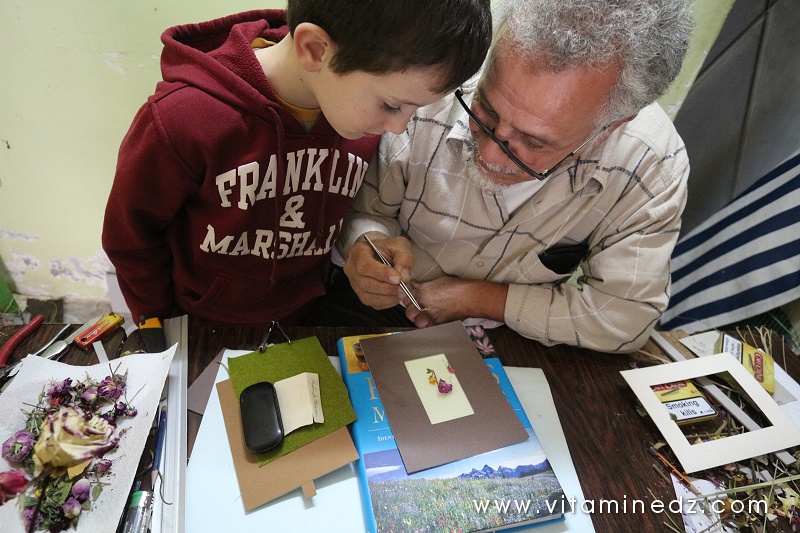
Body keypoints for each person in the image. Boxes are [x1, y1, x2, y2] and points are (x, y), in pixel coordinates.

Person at [102, 1, 492, 326]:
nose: (399, 128)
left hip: (311, 320)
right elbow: (131, 237)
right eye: (392, 105)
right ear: (314, 50)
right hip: (202, 327)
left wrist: (369, 245)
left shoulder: (355, 114)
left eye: (415, 109)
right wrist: (160, 324)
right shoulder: (183, 119)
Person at [334, 0, 694, 353]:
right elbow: (365, 211)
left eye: (534, 142)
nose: (490, 156)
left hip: (520, 338)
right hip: (374, 314)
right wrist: (366, 245)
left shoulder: (649, 164)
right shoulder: (432, 81)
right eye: (485, 110)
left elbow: (623, 318)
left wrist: (481, 299)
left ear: (608, 129)